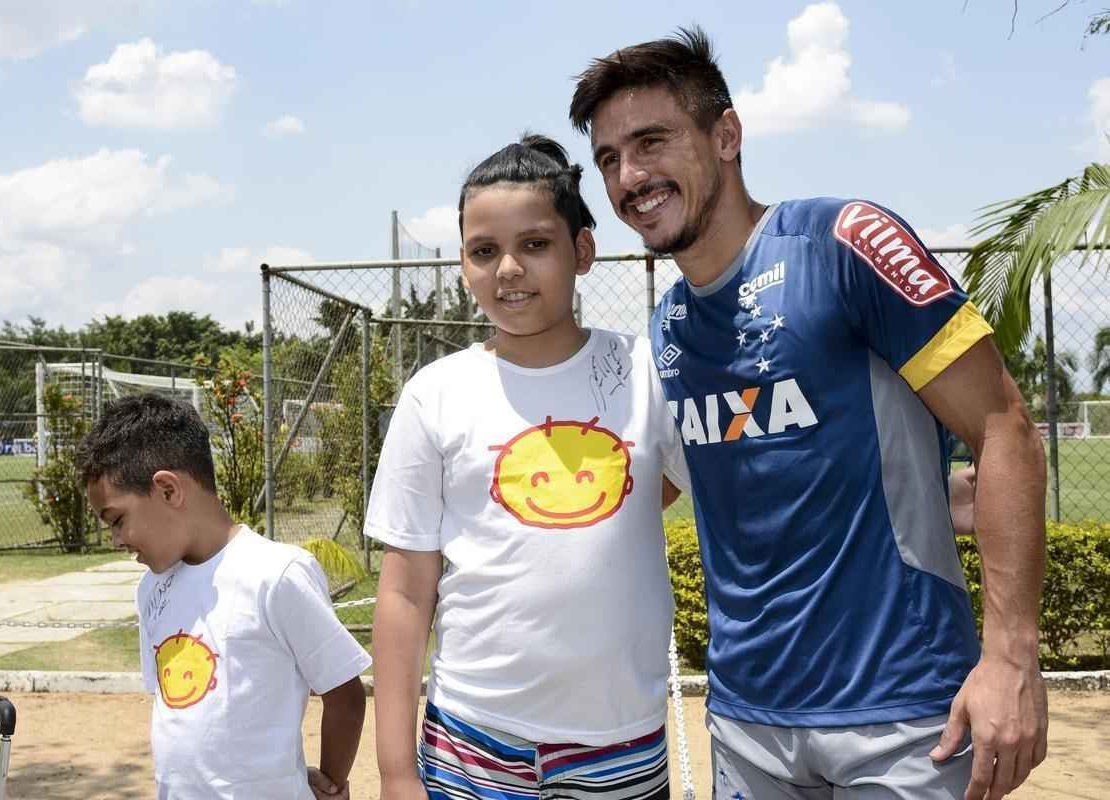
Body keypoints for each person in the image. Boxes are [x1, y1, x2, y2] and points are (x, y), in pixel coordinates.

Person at [570, 27, 1048, 800]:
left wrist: (1008, 659)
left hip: (902, 718)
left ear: (725, 135)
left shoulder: (843, 244)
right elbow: (655, 492)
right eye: (608, 159)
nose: (630, 176)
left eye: (651, 141)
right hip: (745, 725)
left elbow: (1005, 432)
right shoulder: (665, 332)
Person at [368, 134, 689, 800]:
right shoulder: (436, 392)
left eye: (535, 244)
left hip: (619, 739)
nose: (508, 269)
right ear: (463, 264)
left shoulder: (645, 371)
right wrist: (396, 771)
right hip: (470, 739)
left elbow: (659, 492)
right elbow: (403, 591)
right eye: (484, 251)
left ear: (582, 251)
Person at [75, 393, 370, 800]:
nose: (116, 539)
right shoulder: (151, 591)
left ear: (167, 490)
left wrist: (331, 784)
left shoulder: (276, 574)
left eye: (118, 520)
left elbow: (345, 694)